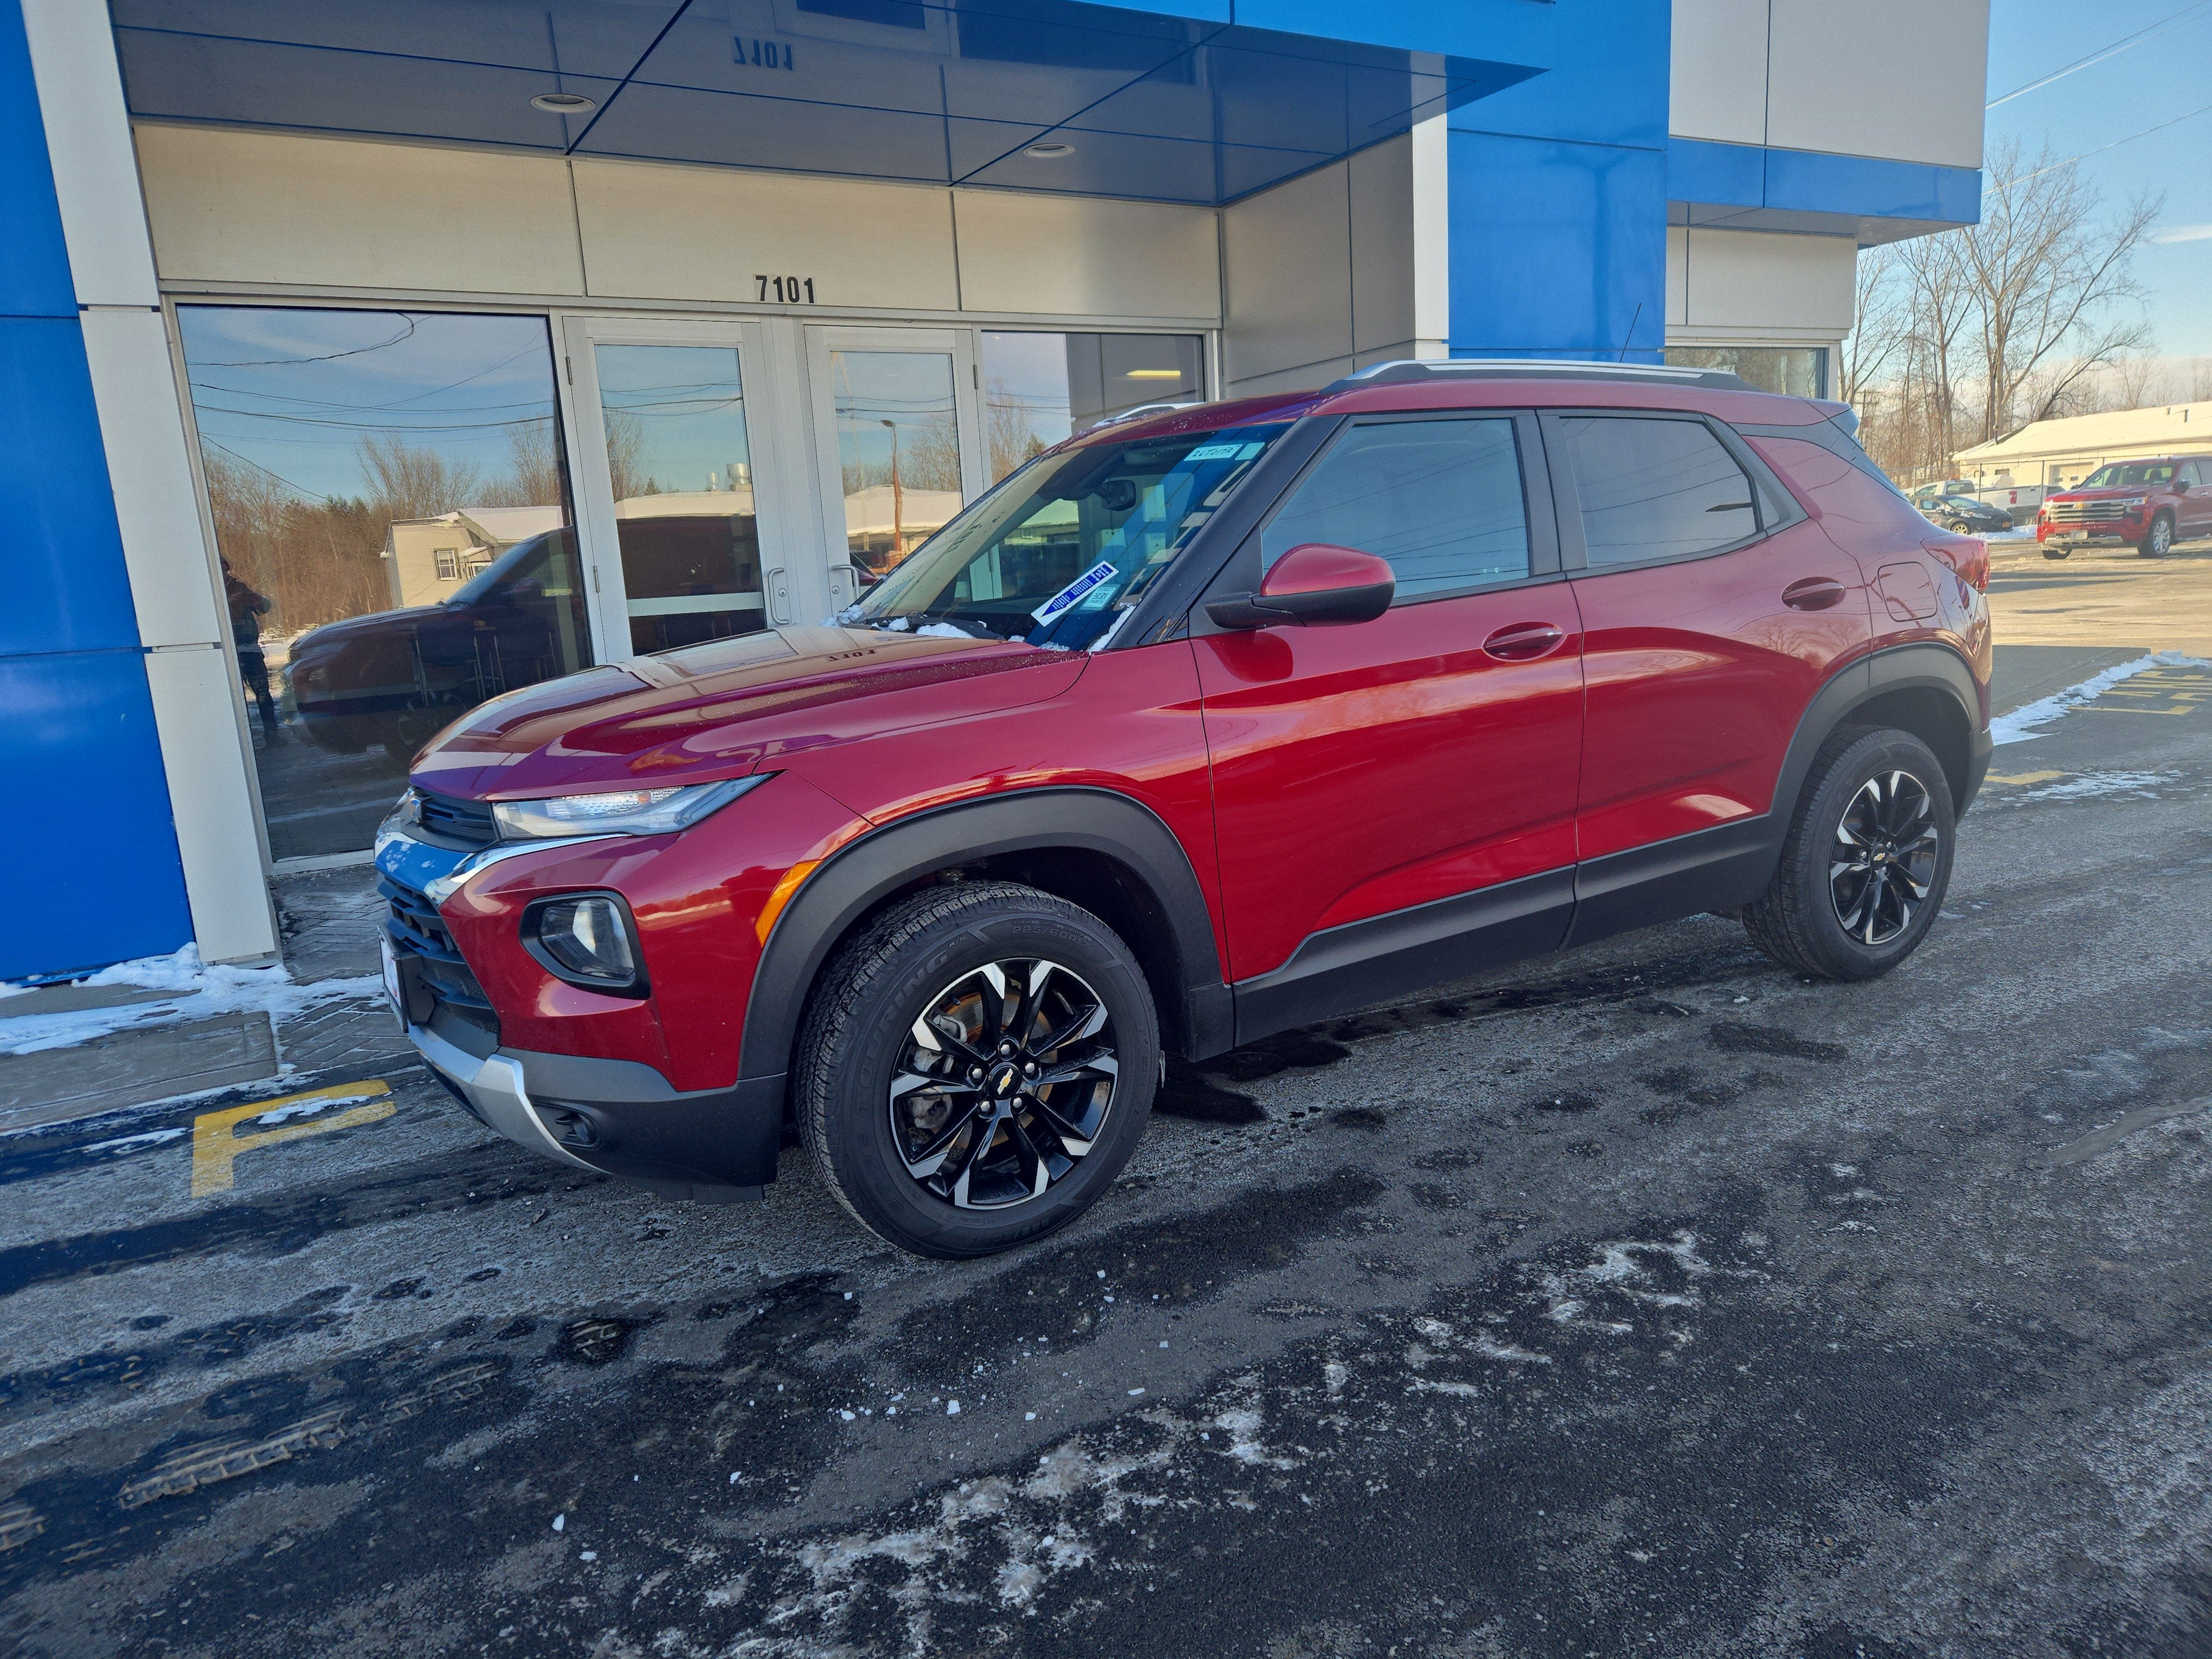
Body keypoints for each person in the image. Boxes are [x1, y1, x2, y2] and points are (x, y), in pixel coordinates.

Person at [222, 556, 282, 743]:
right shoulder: (208, 591)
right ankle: (237, 743)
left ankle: (272, 735)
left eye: (225, 570)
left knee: (263, 694)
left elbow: (266, 607)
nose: (223, 574)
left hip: (250, 650)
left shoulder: (240, 589)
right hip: (225, 654)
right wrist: (230, 604)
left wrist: (254, 599)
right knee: (231, 699)